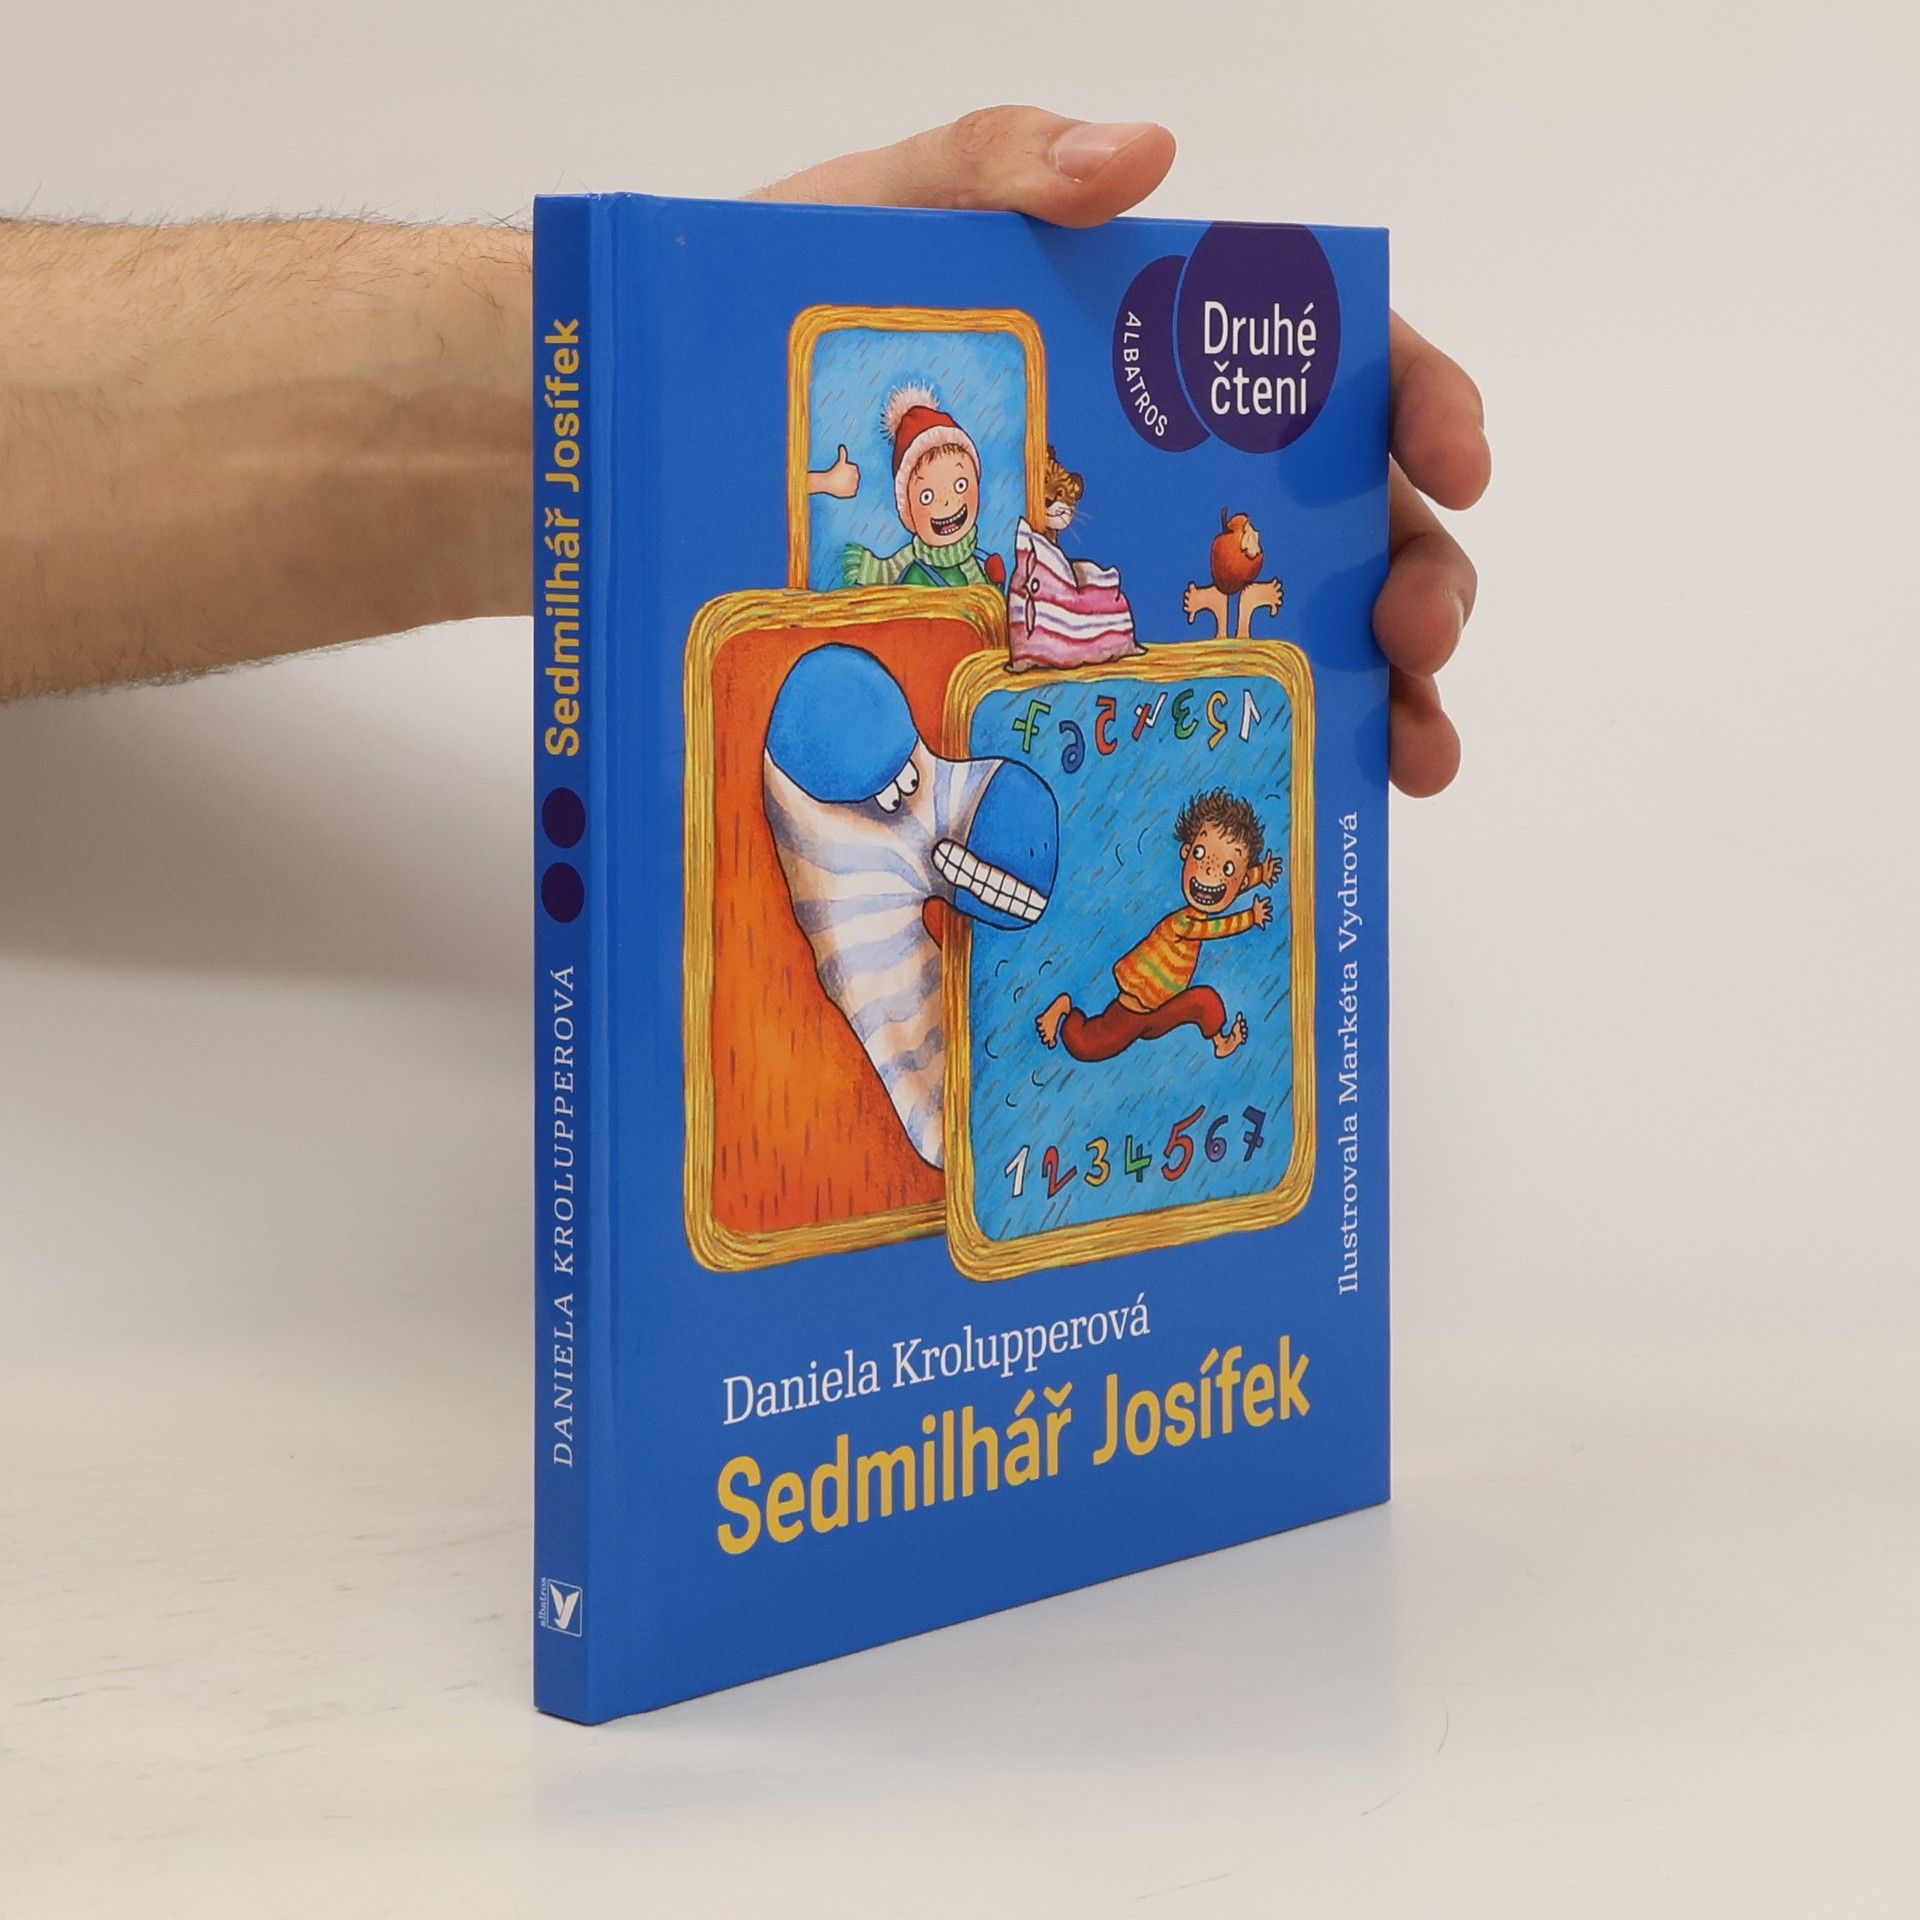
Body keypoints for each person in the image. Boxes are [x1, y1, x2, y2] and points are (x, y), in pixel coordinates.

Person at [0, 107, 1486, 796]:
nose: (951, 494)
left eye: (958, 479)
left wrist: (610, 403)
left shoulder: (995, 554)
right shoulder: (892, 548)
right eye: (936, 481)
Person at [1036, 787, 1278, 1064]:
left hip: (1161, 1008)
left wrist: (1260, 874)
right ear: (1186, 852)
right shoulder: (1184, 922)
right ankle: (1065, 1009)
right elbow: (1217, 928)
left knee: (1205, 1002)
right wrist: (1251, 917)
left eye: (1227, 868)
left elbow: (1233, 884)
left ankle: (1221, 1042)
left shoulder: (1224, 891)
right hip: (1133, 1010)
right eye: (1200, 854)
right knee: (1086, 1046)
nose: (1210, 871)